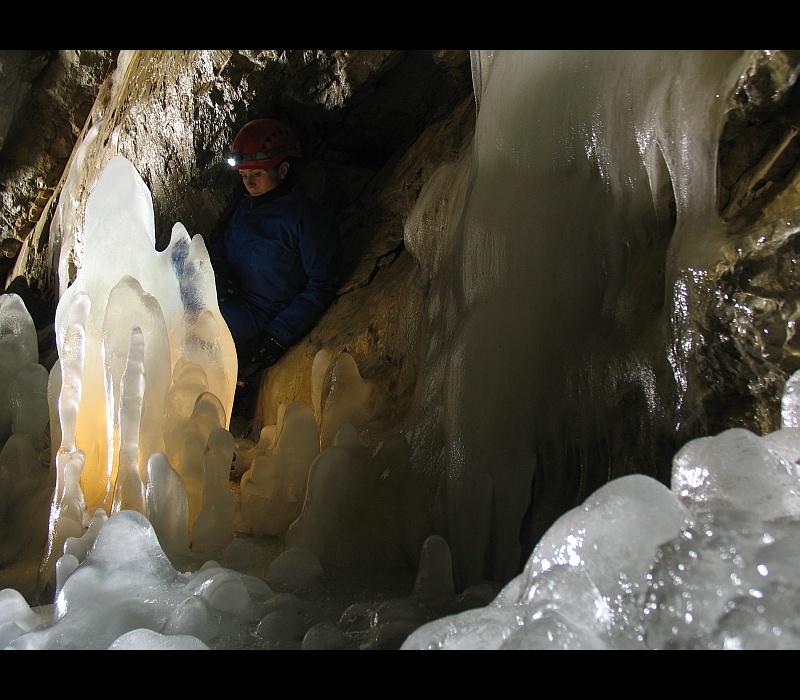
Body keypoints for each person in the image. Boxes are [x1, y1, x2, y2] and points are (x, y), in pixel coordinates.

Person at [210, 118, 343, 416]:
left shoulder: (306, 220)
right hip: (229, 300)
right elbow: (219, 248)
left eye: (256, 174)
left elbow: (321, 284)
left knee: (195, 340)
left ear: (282, 170)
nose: (249, 183)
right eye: (244, 176)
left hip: (260, 316)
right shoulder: (245, 209)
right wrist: (220, 274)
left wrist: (278, 335)